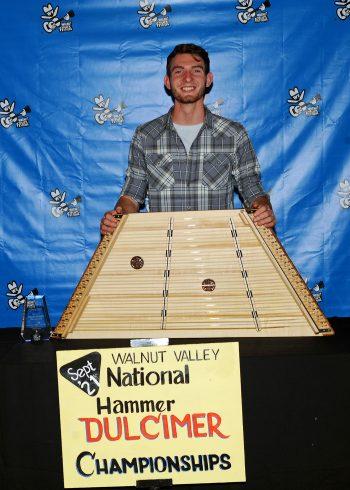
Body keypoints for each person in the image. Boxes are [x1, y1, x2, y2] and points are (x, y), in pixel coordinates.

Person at [100, 43, 275, 235]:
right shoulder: (145, 136)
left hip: (219, 250)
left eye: (196, 71)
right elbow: (132, 196)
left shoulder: (234, 134)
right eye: (179, 71)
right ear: (167, 81)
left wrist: (263, 208)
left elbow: (252, 188)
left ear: (208, 79)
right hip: (164, 251)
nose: (188, 78)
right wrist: (118, 217)